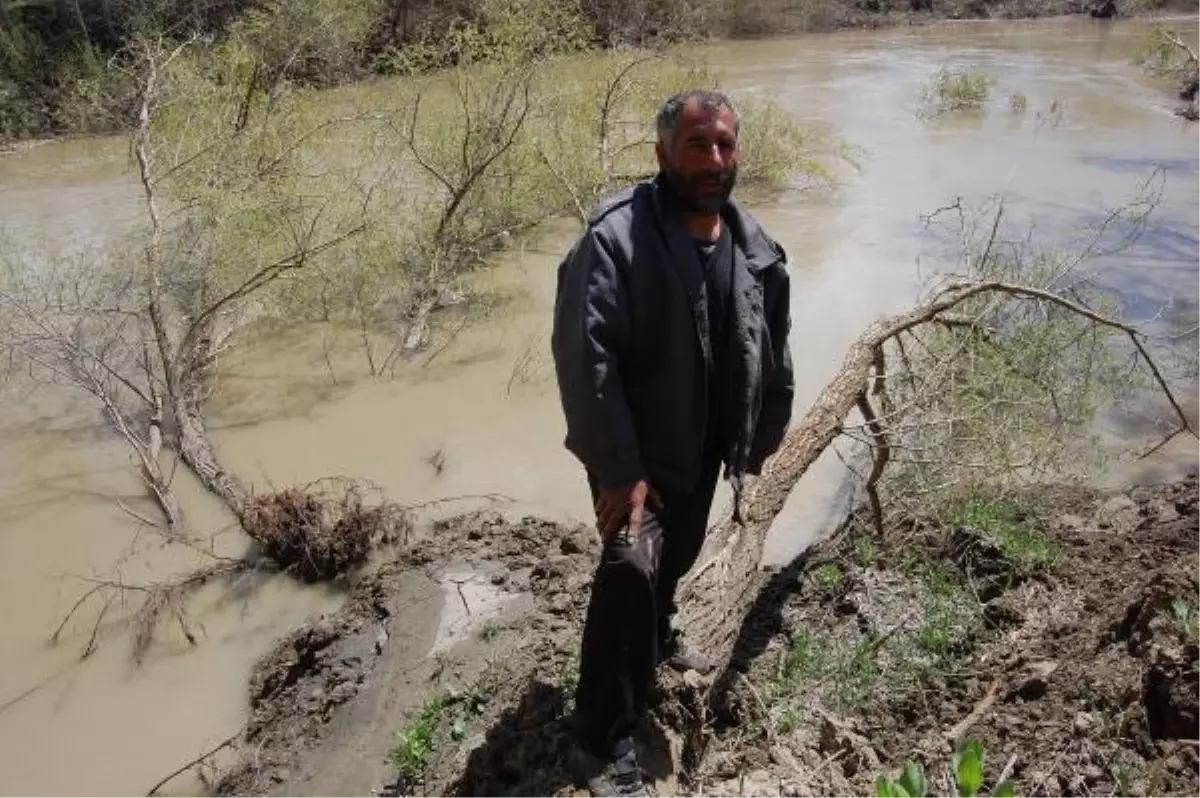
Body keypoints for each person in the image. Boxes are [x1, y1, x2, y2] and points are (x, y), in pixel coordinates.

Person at [550, 90, 795, 797]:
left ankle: (659, 636)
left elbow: (772, 350)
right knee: (629, 570)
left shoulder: (754, 248)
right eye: (697, 145)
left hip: (704, 450)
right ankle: (597, 741)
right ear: (663, 154)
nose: (714, 160)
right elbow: (583, 359)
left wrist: (762, 434)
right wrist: (618, 470)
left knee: (676, 560)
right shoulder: (615, 239)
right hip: (635, 455)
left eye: (724, 145)